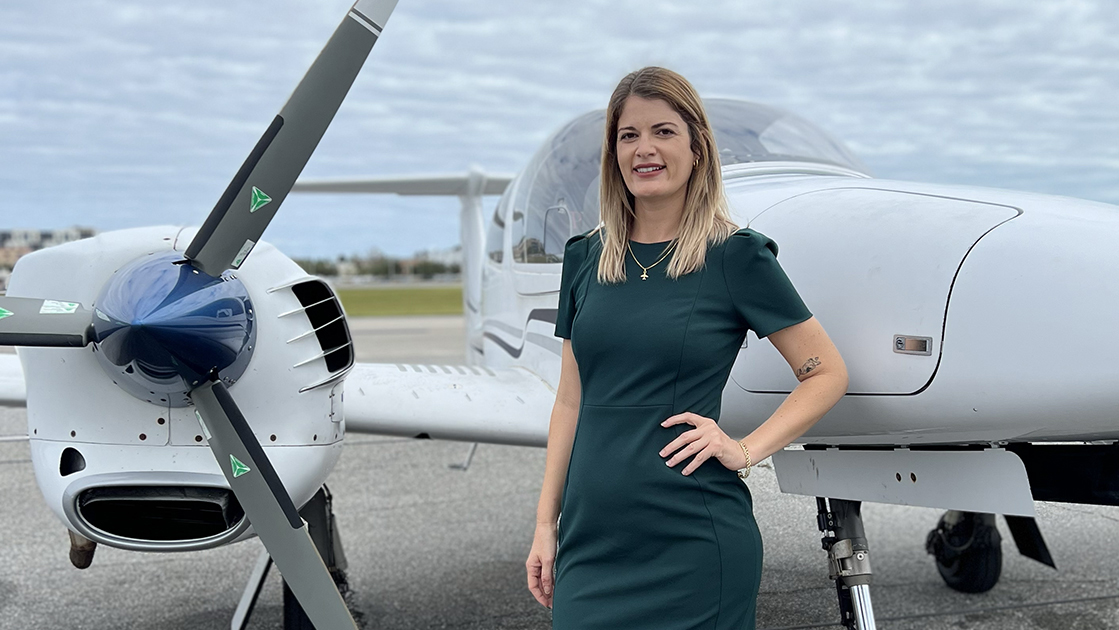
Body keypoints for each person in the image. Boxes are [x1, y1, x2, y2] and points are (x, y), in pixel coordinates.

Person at [525, 66, 849, 629]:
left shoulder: (736, 256)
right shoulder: (584, 258)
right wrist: (543, 525)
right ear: (613, 153)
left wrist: (744, 450)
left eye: (664, 131)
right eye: (628, 135)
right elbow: (570, 401)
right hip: (591, 540)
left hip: (695, 541)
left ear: (697, 147)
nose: (644, 149)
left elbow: (826, 373)